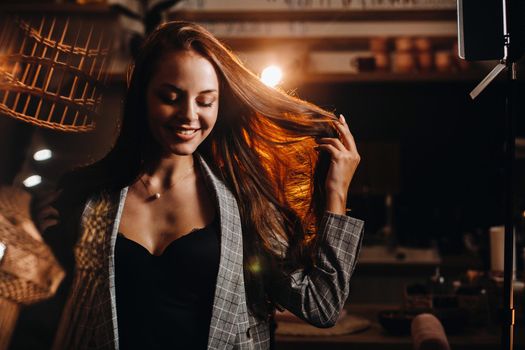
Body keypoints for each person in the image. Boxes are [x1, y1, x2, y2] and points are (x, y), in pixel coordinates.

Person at [48, 21, 364, 350]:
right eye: (170, 97)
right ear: (142, 96)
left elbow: (321, 305)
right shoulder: (87, 198)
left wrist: (336, 192)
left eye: (205, 101)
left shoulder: (245, 200)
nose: (188, 115)